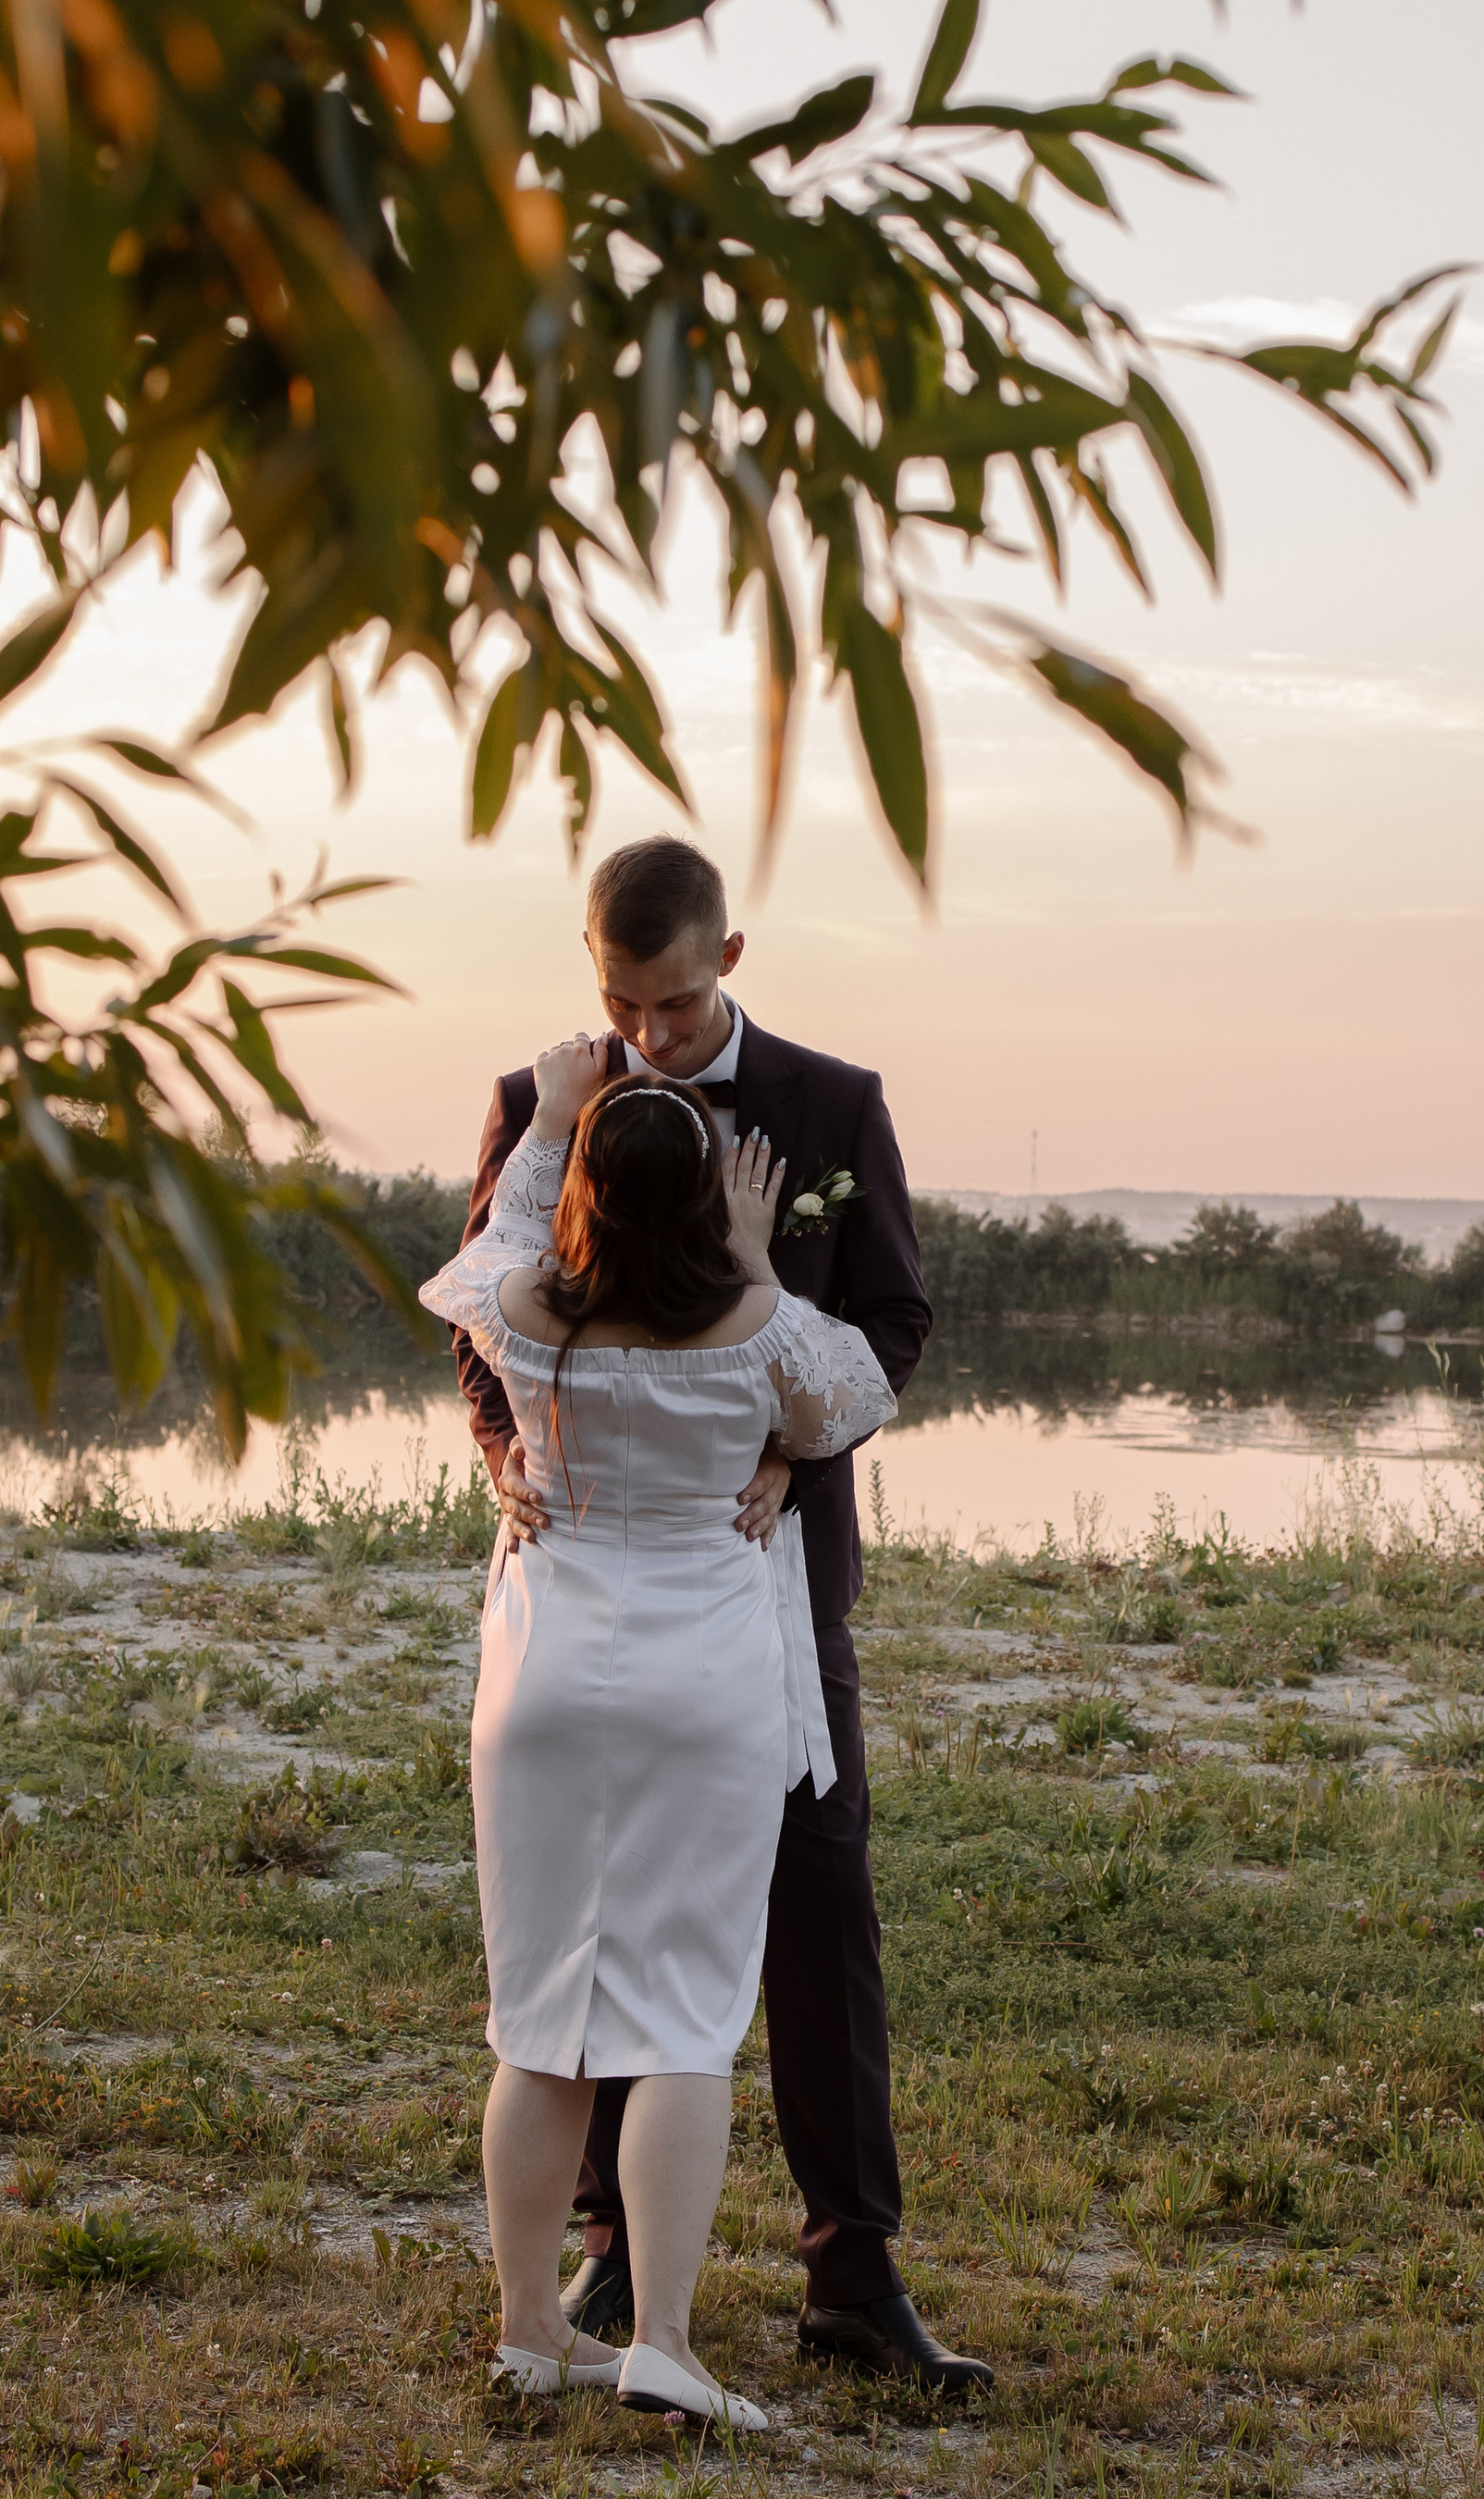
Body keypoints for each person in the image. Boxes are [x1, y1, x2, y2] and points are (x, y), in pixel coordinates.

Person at [451, 835, 995, 2397]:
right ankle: (620, 2250)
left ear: (731, 959)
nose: (650, 1035)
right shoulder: (536, 1097)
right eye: (620, 1001)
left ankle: (852, 2269)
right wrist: (509, 1458)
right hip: (600, 1558)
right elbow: (488, 1344)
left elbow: (887, 1322)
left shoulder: (833, 1108)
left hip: (761, 1564)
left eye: (677, 1005)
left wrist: (775, 1438)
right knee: (614, 1932)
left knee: (819, 1896)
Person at [421, 1033, 898, 2424]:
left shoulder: (526, 1309)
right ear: (711, 1203)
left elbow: (479, 1264)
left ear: (582, 1192)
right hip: (701, 1687)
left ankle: (528, 2326)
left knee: (538, 2020)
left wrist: (554, 1122)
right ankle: (667, 2342)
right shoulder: (759, 1332)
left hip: (546, 1682)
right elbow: (850, 1398)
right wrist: (753, 1257)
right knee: (685, 2016)